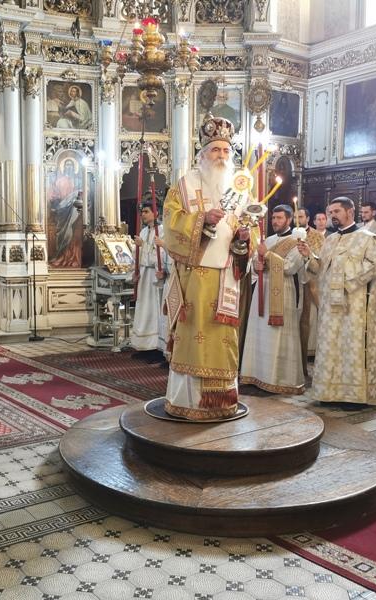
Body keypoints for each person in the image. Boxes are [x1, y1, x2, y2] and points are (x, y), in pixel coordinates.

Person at [161, 116, 256, 420]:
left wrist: (245, 238)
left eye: (226, 151)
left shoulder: (241, 190)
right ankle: (188, 401)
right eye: (215, 150)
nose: (221, 156)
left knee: (224, 339)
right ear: (203, 154)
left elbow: (251, 229)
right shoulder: (185, 186)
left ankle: (222, 401)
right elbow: (171, 222)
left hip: (227, 276)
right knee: (194, 338)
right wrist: (202, 222)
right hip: (195, 277)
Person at [298, 196, 376, 409]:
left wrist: (347, 280)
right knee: (331, 345)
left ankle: (353, 396)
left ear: (350, 211)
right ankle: (330, 392)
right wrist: (309, 256)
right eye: (331, 212)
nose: (333, 216)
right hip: (330, 306)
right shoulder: (329, 240)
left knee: (351, 346)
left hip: (355, 306)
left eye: (337, 211)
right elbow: (320, 269)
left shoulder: (367, 238)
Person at [241, 205, 305, 394]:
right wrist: (257, 263)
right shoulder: (267, 240)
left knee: (277, 335)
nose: (275, 221)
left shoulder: (296, 242)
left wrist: (266, 256)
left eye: (279, 218)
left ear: (289, 219)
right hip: (262, 291)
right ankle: (256, 375)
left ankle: (278, 379)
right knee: (259, 331)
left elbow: (291, 267)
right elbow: (255, 264)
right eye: (273, 218)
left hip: (283, 293)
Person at [131, 204, 167, 358]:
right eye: (142, 212)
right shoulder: (144, 231)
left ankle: (154, 348)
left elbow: (159, 256)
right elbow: (136, 255)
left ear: (156, 212)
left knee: (154, 312)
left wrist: (143, 245)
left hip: (155, 277)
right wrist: (135, 272)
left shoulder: (164, 230)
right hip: (144, 276)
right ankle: (142, 346)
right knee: (143, 310)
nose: (143, 215)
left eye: (146, 211)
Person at [297, 208, 325, 374]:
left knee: (309, 320)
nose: (298, 219)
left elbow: (320, 260)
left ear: (307, 218)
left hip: (311, 282)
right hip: (292, 282)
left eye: (300, 216)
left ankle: (308, 353)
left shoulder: (317, 236)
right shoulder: (289, 235)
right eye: (295, 216)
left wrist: (308, 257)